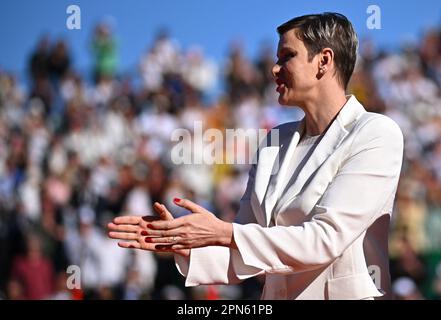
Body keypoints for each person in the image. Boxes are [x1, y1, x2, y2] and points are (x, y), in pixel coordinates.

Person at [108, 12, 404, 300]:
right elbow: (249, 250)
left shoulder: (375, 133)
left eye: (287, 56)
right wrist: (182, 242)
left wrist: (223, 232)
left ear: (324, 61)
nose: (275, 69)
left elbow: (325, 239)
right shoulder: (274, 142)